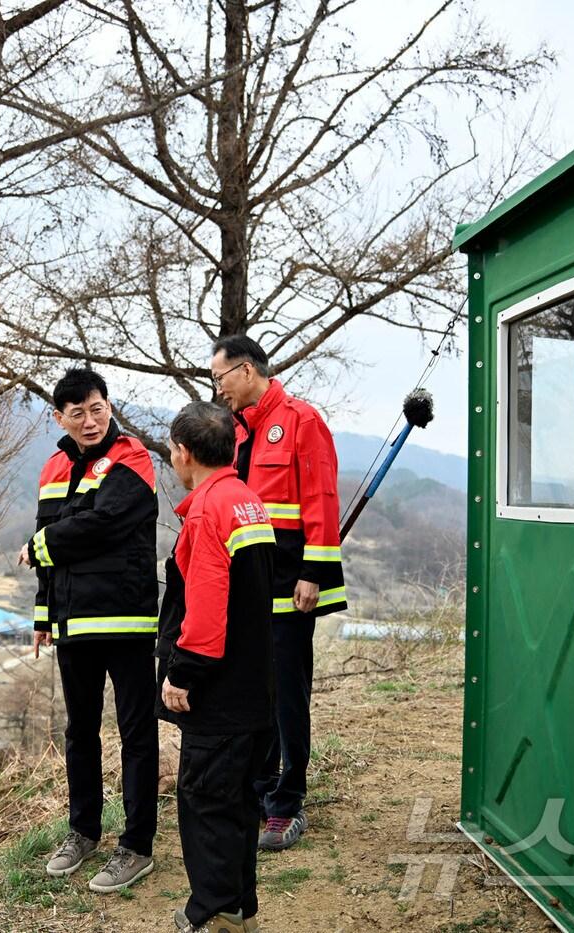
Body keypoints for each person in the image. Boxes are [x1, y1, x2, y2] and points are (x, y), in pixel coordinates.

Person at [20, 367, 160, 893]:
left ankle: (137, 845)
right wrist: (43, 613)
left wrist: (44, 544)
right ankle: (83, 832)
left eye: (97, 408)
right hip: (71, 623)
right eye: (76, 412)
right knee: (79, 732)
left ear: (109, 406)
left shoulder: (133, 457)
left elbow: (106, 523)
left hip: (125, 618)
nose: (89, 419)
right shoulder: (53, 466)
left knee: (136, 733)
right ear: (60, 418)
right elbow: (48, 544)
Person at [210, 335, 347, 852]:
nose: (217, 389)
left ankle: (287, 803)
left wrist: (314, 572)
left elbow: (320, 498)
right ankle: (259, 789)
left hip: (291, 585)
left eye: (219, 378)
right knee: (254, 692)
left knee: (288, 695)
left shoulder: (299, 421)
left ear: (246, 371)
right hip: (247, 586)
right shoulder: (237, 432)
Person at [158, 401, 276, 933]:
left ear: (184, 453)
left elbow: (206, 611)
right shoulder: (248, 500)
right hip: (255, 689)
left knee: (206, 805)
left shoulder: (207, 511)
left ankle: (210, 914)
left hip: (220, 694)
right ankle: (239, 910)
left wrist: (182, 674)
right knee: (238, 808)